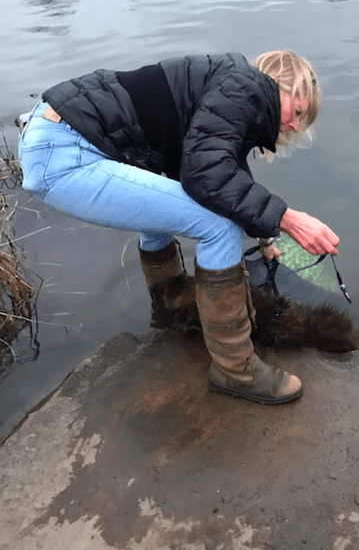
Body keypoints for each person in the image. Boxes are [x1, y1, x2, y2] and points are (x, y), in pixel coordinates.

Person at [17, 50, 340, 405]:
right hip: (65, 153)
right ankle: (236, 369)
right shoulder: (245, 86)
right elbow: (208, 175)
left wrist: (265, 237)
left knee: (166, 205)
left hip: (53, 134)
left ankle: (171, 304)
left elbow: (222, 176)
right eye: (297, 112)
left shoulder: (227, 87)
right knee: (218, 226)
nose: (294, 126)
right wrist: (289, 219)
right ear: (279, 85)